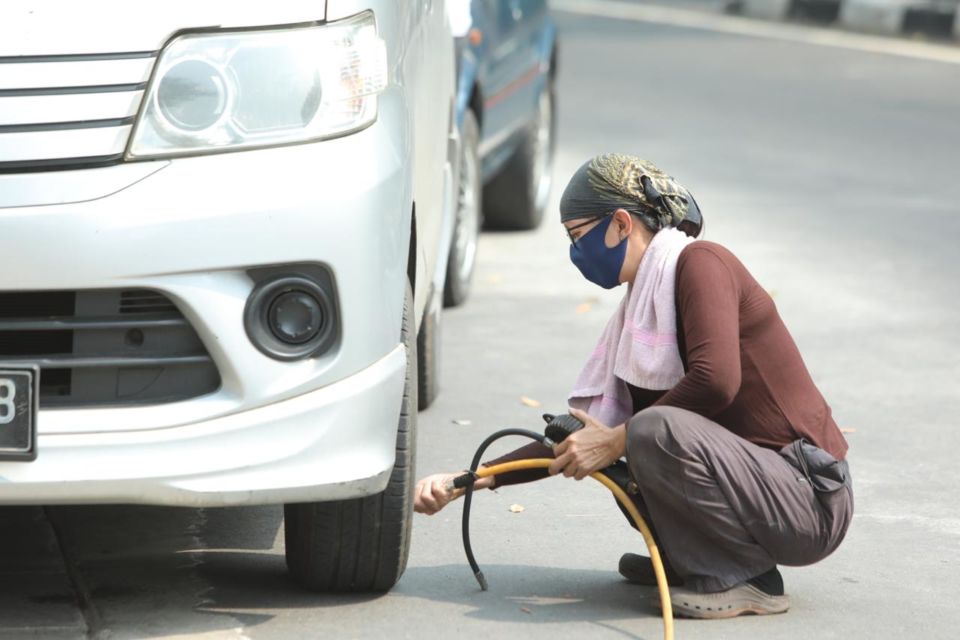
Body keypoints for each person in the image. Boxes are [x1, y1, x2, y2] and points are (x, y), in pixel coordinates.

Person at [414, 153, 853, 619]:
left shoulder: (701, 264)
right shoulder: (641, 307)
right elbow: (578, 440)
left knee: (650, 432)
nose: (575, 252)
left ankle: (747, 578)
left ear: (621, 223)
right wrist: (467, 481)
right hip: (759, 489)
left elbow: (718, 381)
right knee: (622, 446)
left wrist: (617, 438)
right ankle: (693, 560)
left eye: (578, 235)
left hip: (808, 498)